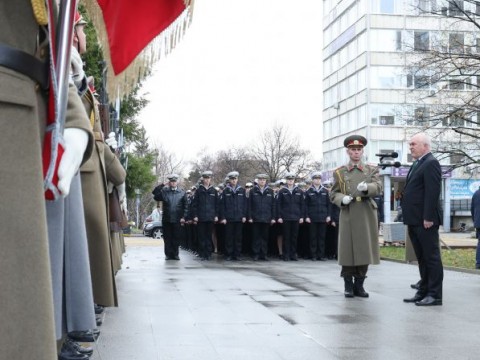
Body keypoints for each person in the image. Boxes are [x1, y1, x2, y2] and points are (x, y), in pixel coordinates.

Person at [0, 2, 94, 358]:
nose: (81, 35)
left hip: (28, 121)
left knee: (24, 310)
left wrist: (74, 119)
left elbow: (49, 48)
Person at [330, 135, 382, 298]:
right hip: (349, 212)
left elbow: (379, 187)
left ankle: (360, 284)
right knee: (347, 250)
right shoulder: (340, 172)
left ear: (363, 151)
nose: (356, 152)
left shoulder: (371, 170)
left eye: (359, 150)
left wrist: (367, 187)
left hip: (366, 212)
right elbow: (333, 193)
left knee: (364, 249)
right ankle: (348, 284)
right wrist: (341, 199)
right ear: (348, 151)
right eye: (353, 150)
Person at [402, 132, 443, 306]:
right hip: (414, 219)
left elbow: (432, 193)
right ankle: (423, 291)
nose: (410, 147)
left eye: (413, 144)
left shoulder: (431, 163)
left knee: (431, 258)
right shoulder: (418, 163)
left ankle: (435, 295)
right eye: (410, 144)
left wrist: (428, 217)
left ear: (425, 146)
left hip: (425, 220)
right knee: (422, 257)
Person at [154, 174, 188, 260]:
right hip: (167, 219)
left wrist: (184, 217)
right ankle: (168, 254)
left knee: (176, 237)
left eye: (174, 181)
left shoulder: (182, 192)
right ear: (169, 182)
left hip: (177, 219)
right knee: (167, 237)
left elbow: (186, 206)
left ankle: (175, 254)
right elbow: (155, 194)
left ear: (177, 182)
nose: (173, 183)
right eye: (171, 181)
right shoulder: (165, 192)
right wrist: (163, 185)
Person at [277, 173, 305, 261]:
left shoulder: (299, 191)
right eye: (289, 179)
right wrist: (279, 216)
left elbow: (302, 205)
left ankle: (293, 254)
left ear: (294, 181)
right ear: (286, 180)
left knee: (294, 237)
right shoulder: (282, 191)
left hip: (296, 217)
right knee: (286, 237)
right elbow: (278, 205)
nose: (290, 181)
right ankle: (286, 254)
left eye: (292, 180)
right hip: (285, 217)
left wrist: (301, 216)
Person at [220, 171, 247, 261]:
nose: (233, 181)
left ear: (237, 179)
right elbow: (222, 205)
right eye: (232, 179)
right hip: (229, 218)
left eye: (235, 179)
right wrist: (223, 217)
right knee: (229, 237)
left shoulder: (242, 190)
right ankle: (229, 254)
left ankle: (237, 254)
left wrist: (244, 216)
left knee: (238, 237)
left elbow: (245, 204)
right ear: (229, 180)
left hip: (239, 218)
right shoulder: (226, 191)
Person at [248, 174, 276, 260]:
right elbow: (249, 205)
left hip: (266, 217)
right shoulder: (252, 191)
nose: (262, 181)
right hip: (256, 217)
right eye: (260, 180)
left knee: (264, 237)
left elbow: (273, 205)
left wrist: (273, 218)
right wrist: (249, 217)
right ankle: (256, 254)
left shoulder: (270, 191)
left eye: (264, 180)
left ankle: (263, 254)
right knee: (256, 237)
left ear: (266, 181)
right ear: (258, 181)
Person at [304, 171, 331, 261]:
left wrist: (328, 216)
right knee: (313, 237)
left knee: (322, 237)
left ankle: (321, 255)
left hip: (323, 217)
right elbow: (305, 205)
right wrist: (306, 216)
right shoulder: (309, 191)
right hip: (312, 217)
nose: (317, 180)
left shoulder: (325, 191)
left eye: (319, 179)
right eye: (316, 179)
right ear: (312, 180)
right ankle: (313, 255)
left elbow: (328, 204)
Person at [192, 171, 219, 260]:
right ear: (203, 179)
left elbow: (217, 205)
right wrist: (195, 215)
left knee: (208, 236)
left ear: (210, 179)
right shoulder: (199, 191)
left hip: (210, 217)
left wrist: (216, 215)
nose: (207, 180)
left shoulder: (213, 191)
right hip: (201, 217)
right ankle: (202, 254)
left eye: (208, 178)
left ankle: (208, 253)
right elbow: (194, 204)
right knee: (202, 236)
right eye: (205, 178)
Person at [471, 186, 480, 269]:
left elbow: (472, 209)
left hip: (478, 222)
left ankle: (478, 262)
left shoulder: (476, 193)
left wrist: (475, 221)